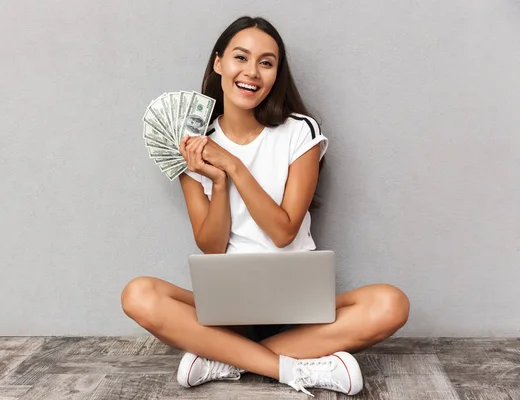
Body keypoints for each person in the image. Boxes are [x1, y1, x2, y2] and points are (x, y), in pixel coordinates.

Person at [121, 16, 410, 397]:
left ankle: (221, 359)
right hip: (229, 313)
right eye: (241, 58)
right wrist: (218, 182)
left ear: (276, 74)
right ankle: (293, 368)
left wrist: (234, 166)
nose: (252, 72)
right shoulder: (191, 143)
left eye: (267, 62)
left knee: (391, 303)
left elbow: (283, 230)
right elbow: (211, 247)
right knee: (138, 294)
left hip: (301, 312)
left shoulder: (299, 131)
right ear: (219, 63)